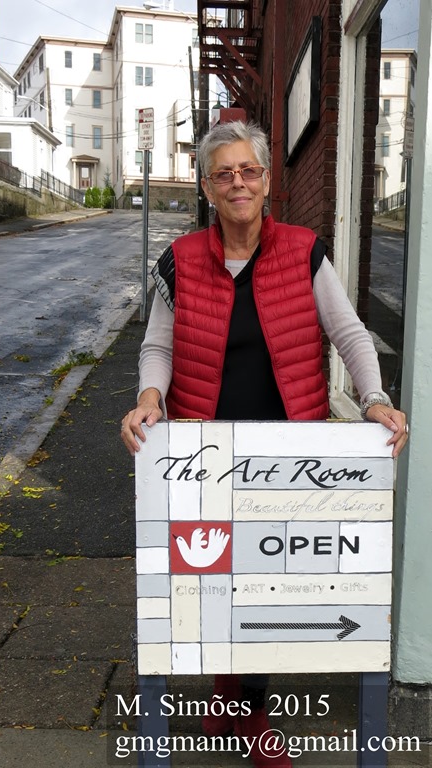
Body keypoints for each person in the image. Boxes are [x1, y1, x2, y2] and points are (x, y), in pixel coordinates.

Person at [121, 120, 408, 767]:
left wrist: (372, 398)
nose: (238, 183)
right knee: (210, 577)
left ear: (267, 181)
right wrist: (149, 398)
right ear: (206, 187)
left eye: (248, 170)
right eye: (223, 173)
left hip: (285, 451)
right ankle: (233, 703)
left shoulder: (304, 252)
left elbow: (349, 333)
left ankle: (242, 708)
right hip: (203, 452)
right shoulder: (179, 261)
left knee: (263, 583)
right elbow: (157, 345)